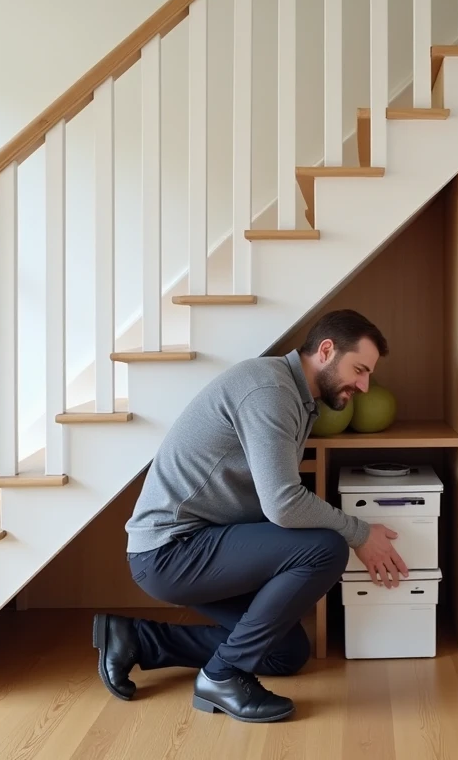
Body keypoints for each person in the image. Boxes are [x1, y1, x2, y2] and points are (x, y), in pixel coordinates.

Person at [91, 309, 409, 724]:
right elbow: (283, 503)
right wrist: (359, 533)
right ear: (327, 351)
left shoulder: (293, 395)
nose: (364, 385)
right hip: (171, 551)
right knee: (326, 548)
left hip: (204, 543)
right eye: (360, 370)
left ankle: (139, 639)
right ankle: (223, 677)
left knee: (285, 652)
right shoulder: (268, 390)